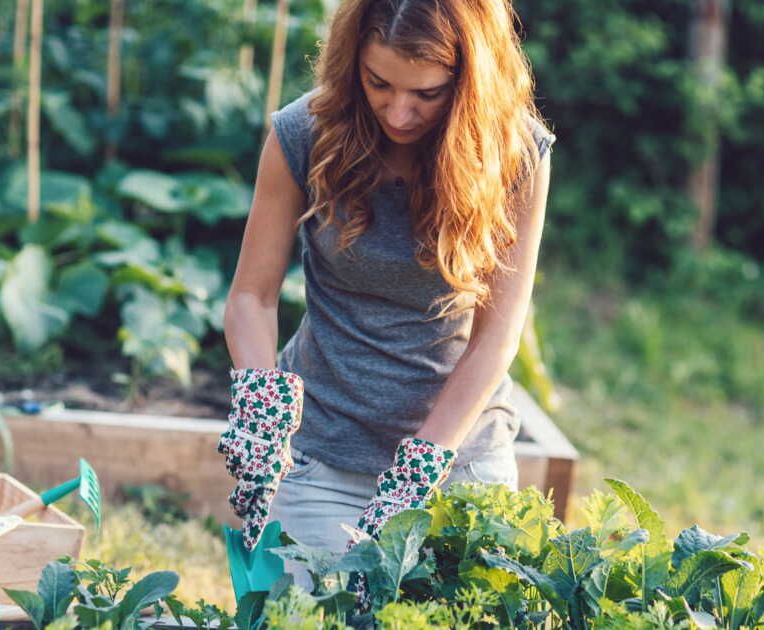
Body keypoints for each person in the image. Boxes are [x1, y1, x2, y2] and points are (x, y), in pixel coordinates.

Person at [222, 0, 555, 588]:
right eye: (379, 84)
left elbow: (497, 337)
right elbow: (252, 295)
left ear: (468, 82)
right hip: (323, 455)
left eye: (427, 93)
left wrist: (422, 466)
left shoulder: (515, 152)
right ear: (354, 63)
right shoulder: (304, 133)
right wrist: (260, 405)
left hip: (458, 457)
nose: (399, 112)